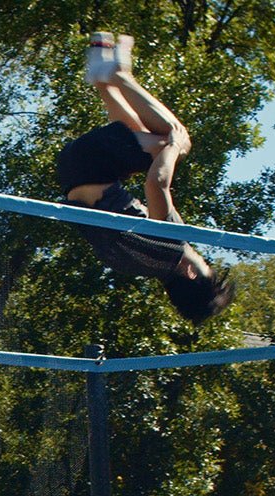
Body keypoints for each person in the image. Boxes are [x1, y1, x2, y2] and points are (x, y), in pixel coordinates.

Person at [56, 32, 234, 324]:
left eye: (206, 265)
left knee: (174, 140)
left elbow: (157, 183)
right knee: (141, 138)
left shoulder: (173, 246)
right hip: (72, 170)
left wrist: (175, 147)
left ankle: (120, 77)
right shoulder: (135, 266)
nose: (204, 258)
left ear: (192, 273)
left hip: (94, 161)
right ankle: (104, 81)